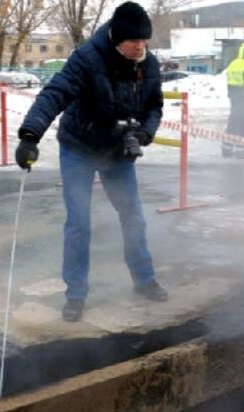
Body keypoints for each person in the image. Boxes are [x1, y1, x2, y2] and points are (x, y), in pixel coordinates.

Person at [15, 1, 168, 322]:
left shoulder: (148, 65)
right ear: (115, 37)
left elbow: (154, 107)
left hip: (117, 152)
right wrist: (30, 135)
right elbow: (55, 93)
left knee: (133, 216)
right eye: (133, 42)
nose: (139, 47)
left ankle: (144, 279)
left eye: (144, 42)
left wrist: (144, 134)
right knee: (79, 223)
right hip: (79, 149)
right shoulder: (87, 58)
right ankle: (76, 294)